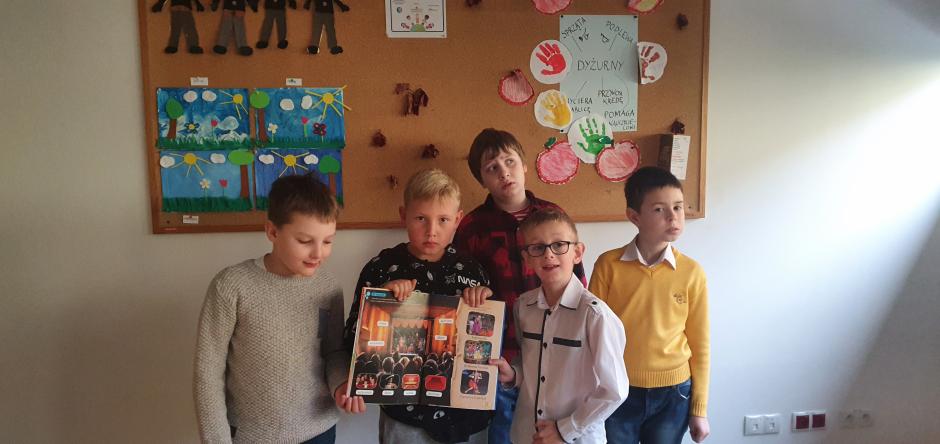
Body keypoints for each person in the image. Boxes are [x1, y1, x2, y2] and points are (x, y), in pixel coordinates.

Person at [193, 173, 363, 444]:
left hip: (319, 431)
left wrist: (341, 384)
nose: (318, 253)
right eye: (305, 241)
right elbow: (208, 372)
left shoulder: (329, 287)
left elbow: (333, 352)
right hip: (253, 436)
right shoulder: (231, 285)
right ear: (272, 232)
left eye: (328, 241)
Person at [341, 168, 495, 444]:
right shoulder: (382, 267)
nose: (432, 231)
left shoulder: (473, 271)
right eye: (421, 218)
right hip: (404, 413)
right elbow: (351, 337)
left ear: (458, 219)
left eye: (443, 219)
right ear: (404, 215)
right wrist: (382, 300)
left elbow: (487, 341)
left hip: (465, 413)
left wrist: (482, 301)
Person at [453, 128, 587, 443]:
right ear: (482, 180)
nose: (504, 172)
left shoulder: (553, 216)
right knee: (505, 430)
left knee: (549, 432)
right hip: (501, 353)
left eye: (509, 161)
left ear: (524, 166)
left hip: (552, 349)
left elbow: (577, 279)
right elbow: (461, 286)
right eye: (492, 168)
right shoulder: (472, 227)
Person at [589, 166, 711, 443]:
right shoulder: (608, 266)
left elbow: (700, 344)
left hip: (674, 393)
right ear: (634, 216)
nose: (673, 217)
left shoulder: (692, 272)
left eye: (678, 207)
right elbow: (592, 335)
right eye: (659, 209)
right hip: (619, 389)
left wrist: (699, 410)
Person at [491, 208, 628, 444]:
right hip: (527, 435)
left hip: (576, 438)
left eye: (558, 245)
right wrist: (513, 375)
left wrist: (565, 429)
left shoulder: (595, 315)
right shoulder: (523, 306)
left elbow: (614, 391)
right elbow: (531, 364)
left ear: (577, 253)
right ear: (527, 258)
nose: (548, 254)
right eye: (538, 247)